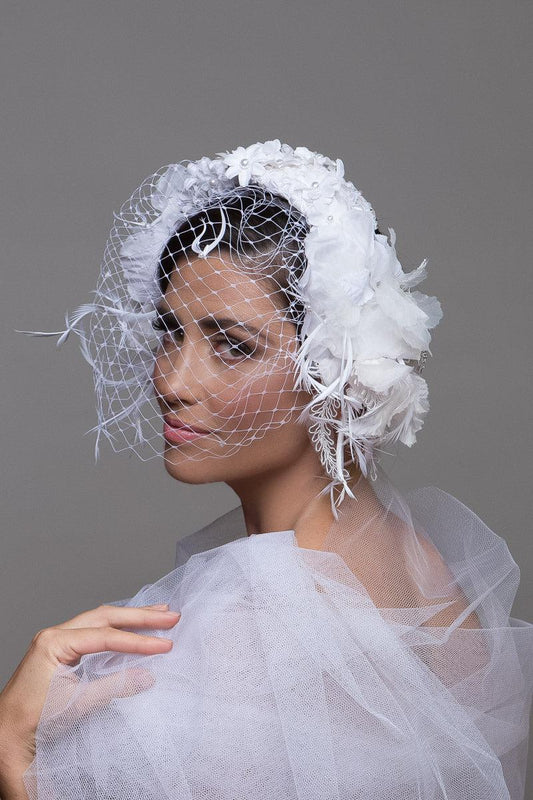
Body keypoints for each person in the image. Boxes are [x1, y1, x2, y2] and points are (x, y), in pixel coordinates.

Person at [1, 140, 532, 799]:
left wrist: (12, 749)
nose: (173, 379)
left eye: (232, 346)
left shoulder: (240, 624)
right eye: (171, 331)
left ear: (331, 365)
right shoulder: (421, 567)